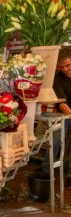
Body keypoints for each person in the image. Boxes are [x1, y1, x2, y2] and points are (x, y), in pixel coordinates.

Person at [42, 48, 71, 185]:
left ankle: (68, 172)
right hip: (64, 112)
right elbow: (62, 104)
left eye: (68, 65)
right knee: (56, 139)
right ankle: (47, 171)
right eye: (62, 66)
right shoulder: (57, 79)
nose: (65, 69)